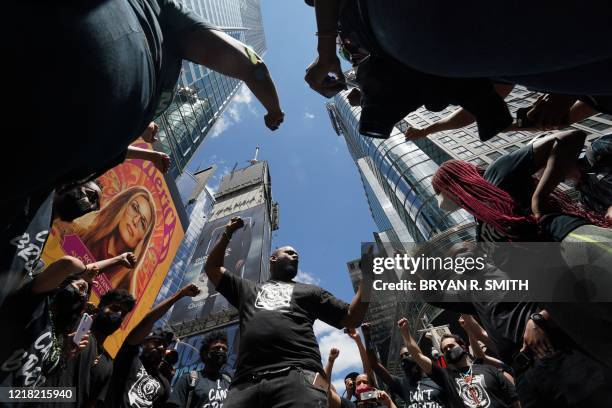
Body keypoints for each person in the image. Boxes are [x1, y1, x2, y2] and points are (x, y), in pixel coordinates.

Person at [5, 0, 284, 279]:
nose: (183, 73)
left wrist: (144, 143)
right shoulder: (163, 13)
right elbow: (250, 63)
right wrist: (274, 111)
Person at [202, 216, 374, 407]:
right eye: (290, 252)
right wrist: (228, 232)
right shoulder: (247, 289)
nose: (295, 256)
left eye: (297, 255)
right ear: (273, 259)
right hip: (245, 384)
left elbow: (352, 318)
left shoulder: (311, 292)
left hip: (298, 378)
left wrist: (368, 279)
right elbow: (212, 268)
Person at [0, 253, 134, 388]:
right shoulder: (37, 301)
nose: (83, 287)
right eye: (79, 282)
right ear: (61, 283)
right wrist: (117, 260)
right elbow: (68, 263)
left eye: (84, 293)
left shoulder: (59, 337)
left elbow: (45, 376)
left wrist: (65, 351)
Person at [106, 283, 201, 408]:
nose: (161, 347)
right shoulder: (130, 358)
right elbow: (148, 320)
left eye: (164, 346)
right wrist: (179, 295)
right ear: (144, 342)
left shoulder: (164, 384)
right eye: (156, 343)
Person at [398, 318, 520, 408]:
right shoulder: (446, 377)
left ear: (463, 347)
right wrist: (405, 334)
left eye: (451, 346)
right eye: (444, 350)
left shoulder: (489, 369)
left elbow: (514, 400)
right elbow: (418, 356)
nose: (448, 350)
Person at [70, 186, 157, 294]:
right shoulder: (83, 230)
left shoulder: (126, 286)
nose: (135, 221)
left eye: (143, 223)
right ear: (123, 205)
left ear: (143, 239)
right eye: (134, 208)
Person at [361, 324, 447, 407]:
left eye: (407, 354)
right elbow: (374, 364)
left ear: (415, 355)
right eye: (401, 357)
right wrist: (367, 337)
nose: (404, 358)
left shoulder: (437, 377)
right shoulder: (403, 385)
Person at [167, 331, 232, 408]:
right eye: (216, 348)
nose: (221, 351)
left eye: (224, 349)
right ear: (205, 353)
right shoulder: (189, 379)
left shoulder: (229, 382)